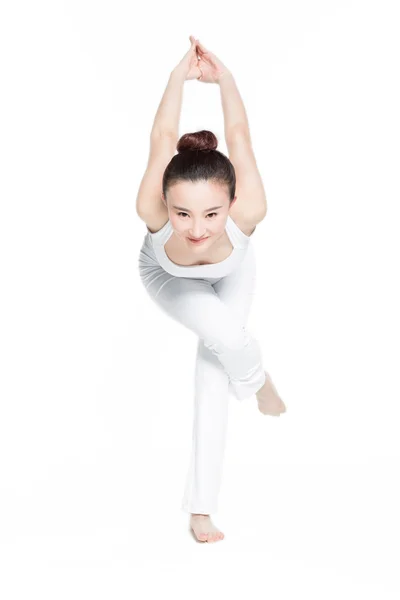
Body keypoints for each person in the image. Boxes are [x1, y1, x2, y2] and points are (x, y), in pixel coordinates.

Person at [136, 36, 286, 543]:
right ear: (165, 204)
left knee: (211, 369)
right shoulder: (151, 211)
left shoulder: (250, 210)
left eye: (211, 214)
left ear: (232, 202)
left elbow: (239, 134)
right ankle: (258, 378)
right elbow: (162, 134)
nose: (197, 229)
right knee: (228, 340)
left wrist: (225, 79)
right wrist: (176, 77)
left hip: (232, 271)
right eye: (182, 214)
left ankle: (201, 510)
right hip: (169, 278)